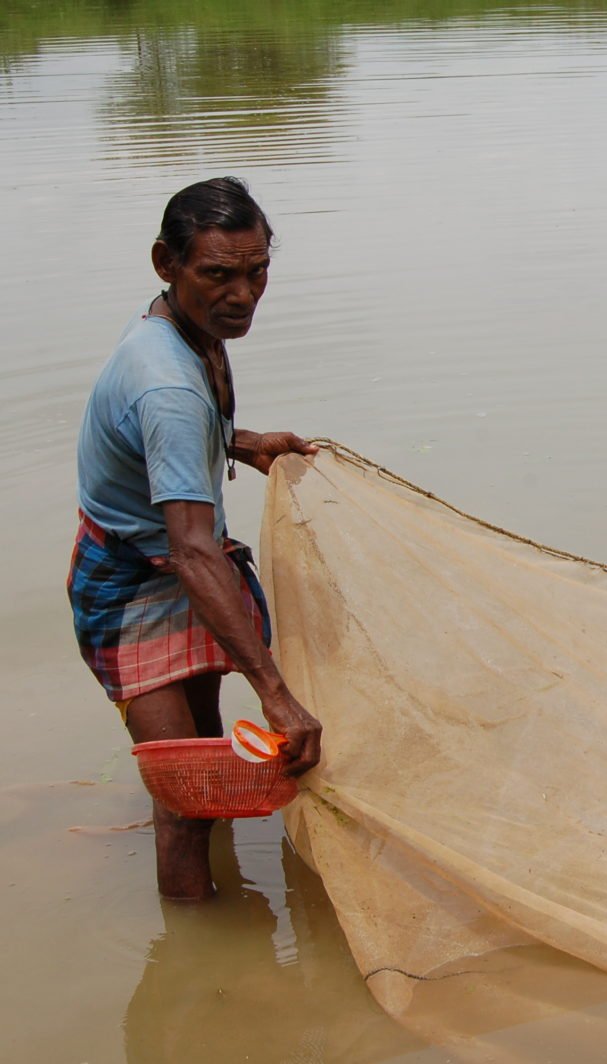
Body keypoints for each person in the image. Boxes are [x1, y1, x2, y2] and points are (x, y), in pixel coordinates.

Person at [69, 177, 322, 900]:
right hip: (131, 584)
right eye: (218, 274)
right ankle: (197, 967)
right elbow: (191, 548)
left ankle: (222, 909)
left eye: (256, 271)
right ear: (166, 263)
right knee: (183, 797)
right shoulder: (168, 382)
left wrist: (237, 441)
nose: (242, 293)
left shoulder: (179, 326)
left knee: (210, 763)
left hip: (181, 566)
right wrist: (274, 693)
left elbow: (159, 443)